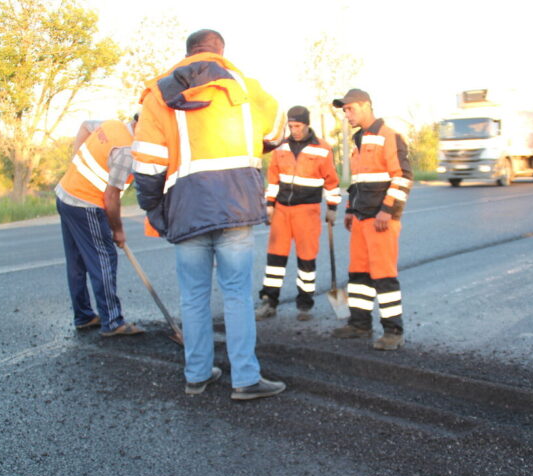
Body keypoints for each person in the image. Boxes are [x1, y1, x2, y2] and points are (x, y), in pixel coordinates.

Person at [131, 29, 287, 400]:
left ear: (187, 54)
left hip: (185, 210)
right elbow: (278, 133)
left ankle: (197, 375)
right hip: (236, 206)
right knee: (236, 294)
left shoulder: (158, 94)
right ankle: (245, 379)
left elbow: (148, 163)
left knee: (193, 296)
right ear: (220, 52)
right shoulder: (248, 89)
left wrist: (153, 208)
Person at [330, 89, 413, 350]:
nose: (347, 114)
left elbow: (402, 177)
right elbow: (357, 182)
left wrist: (387, 210)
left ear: (366, 105)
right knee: (358, 274)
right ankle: (360, 324)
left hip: (381, 220)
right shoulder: (360, 140)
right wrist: (349, 210)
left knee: (384, 275)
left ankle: (393, 332)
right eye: (344, 110)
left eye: (350, 108)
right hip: (362, 218)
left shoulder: (389, 136)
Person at [55, 116, 145, 337]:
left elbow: (85, 124)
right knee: (104, 260)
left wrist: (76, 161)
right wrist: (118, 230)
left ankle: (83, 316)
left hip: (66, 195)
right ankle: (112, 322)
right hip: (87, 206)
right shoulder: (126, 151)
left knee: (76, 262)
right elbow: (111, 198)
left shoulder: (112, 125)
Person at [255, 105, 341, 321]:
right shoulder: (281, 148)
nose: (294, 130)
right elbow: (273, 177)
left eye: (298, 126)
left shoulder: (322, 148)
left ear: (306, 124)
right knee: (275, 257)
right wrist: (270, 204)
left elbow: (331, 181)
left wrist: (332, 207)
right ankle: (269, 302)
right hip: (282, 211)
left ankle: (305, 304)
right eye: (291, 126)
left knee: (306, 258)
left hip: (308, 211)